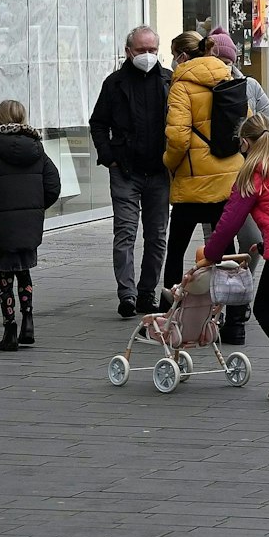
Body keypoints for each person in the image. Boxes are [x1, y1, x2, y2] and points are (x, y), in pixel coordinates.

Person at [199, 113, 269, 402]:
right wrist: (265, 245)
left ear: (245, 142)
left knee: (264, 309)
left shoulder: (252, 173)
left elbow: (229, 221)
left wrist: (211, 254)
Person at [162, 30, 246, 337]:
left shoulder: (182, 85)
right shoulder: (229, 78)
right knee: (227, 253)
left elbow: (178, 137)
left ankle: (168, 318)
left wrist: (170, 163)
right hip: (228, 179)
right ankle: (235, 323)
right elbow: (246, 124)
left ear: (183, 56)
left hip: (192, 182)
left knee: (176, 252)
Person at [0, 99, 60, 352]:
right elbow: (53, 186)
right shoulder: (38, 152)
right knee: (24, 272)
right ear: (23, 119)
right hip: (28, 227)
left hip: (0, 228)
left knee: (5, 278)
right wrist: (35, 209)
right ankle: (28, 322)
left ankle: (10, 330)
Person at [90, 25, 171, 319]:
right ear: (128, 51)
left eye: (152, 50)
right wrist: (108, 157)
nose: (147, 55)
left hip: (159, 173)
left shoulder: (169, 80)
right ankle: (127, 294)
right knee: (125, 232)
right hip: (126, 171)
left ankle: (146, 293)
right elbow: (98, 123)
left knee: (157, 236)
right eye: (141, 50)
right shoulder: (114, 83)